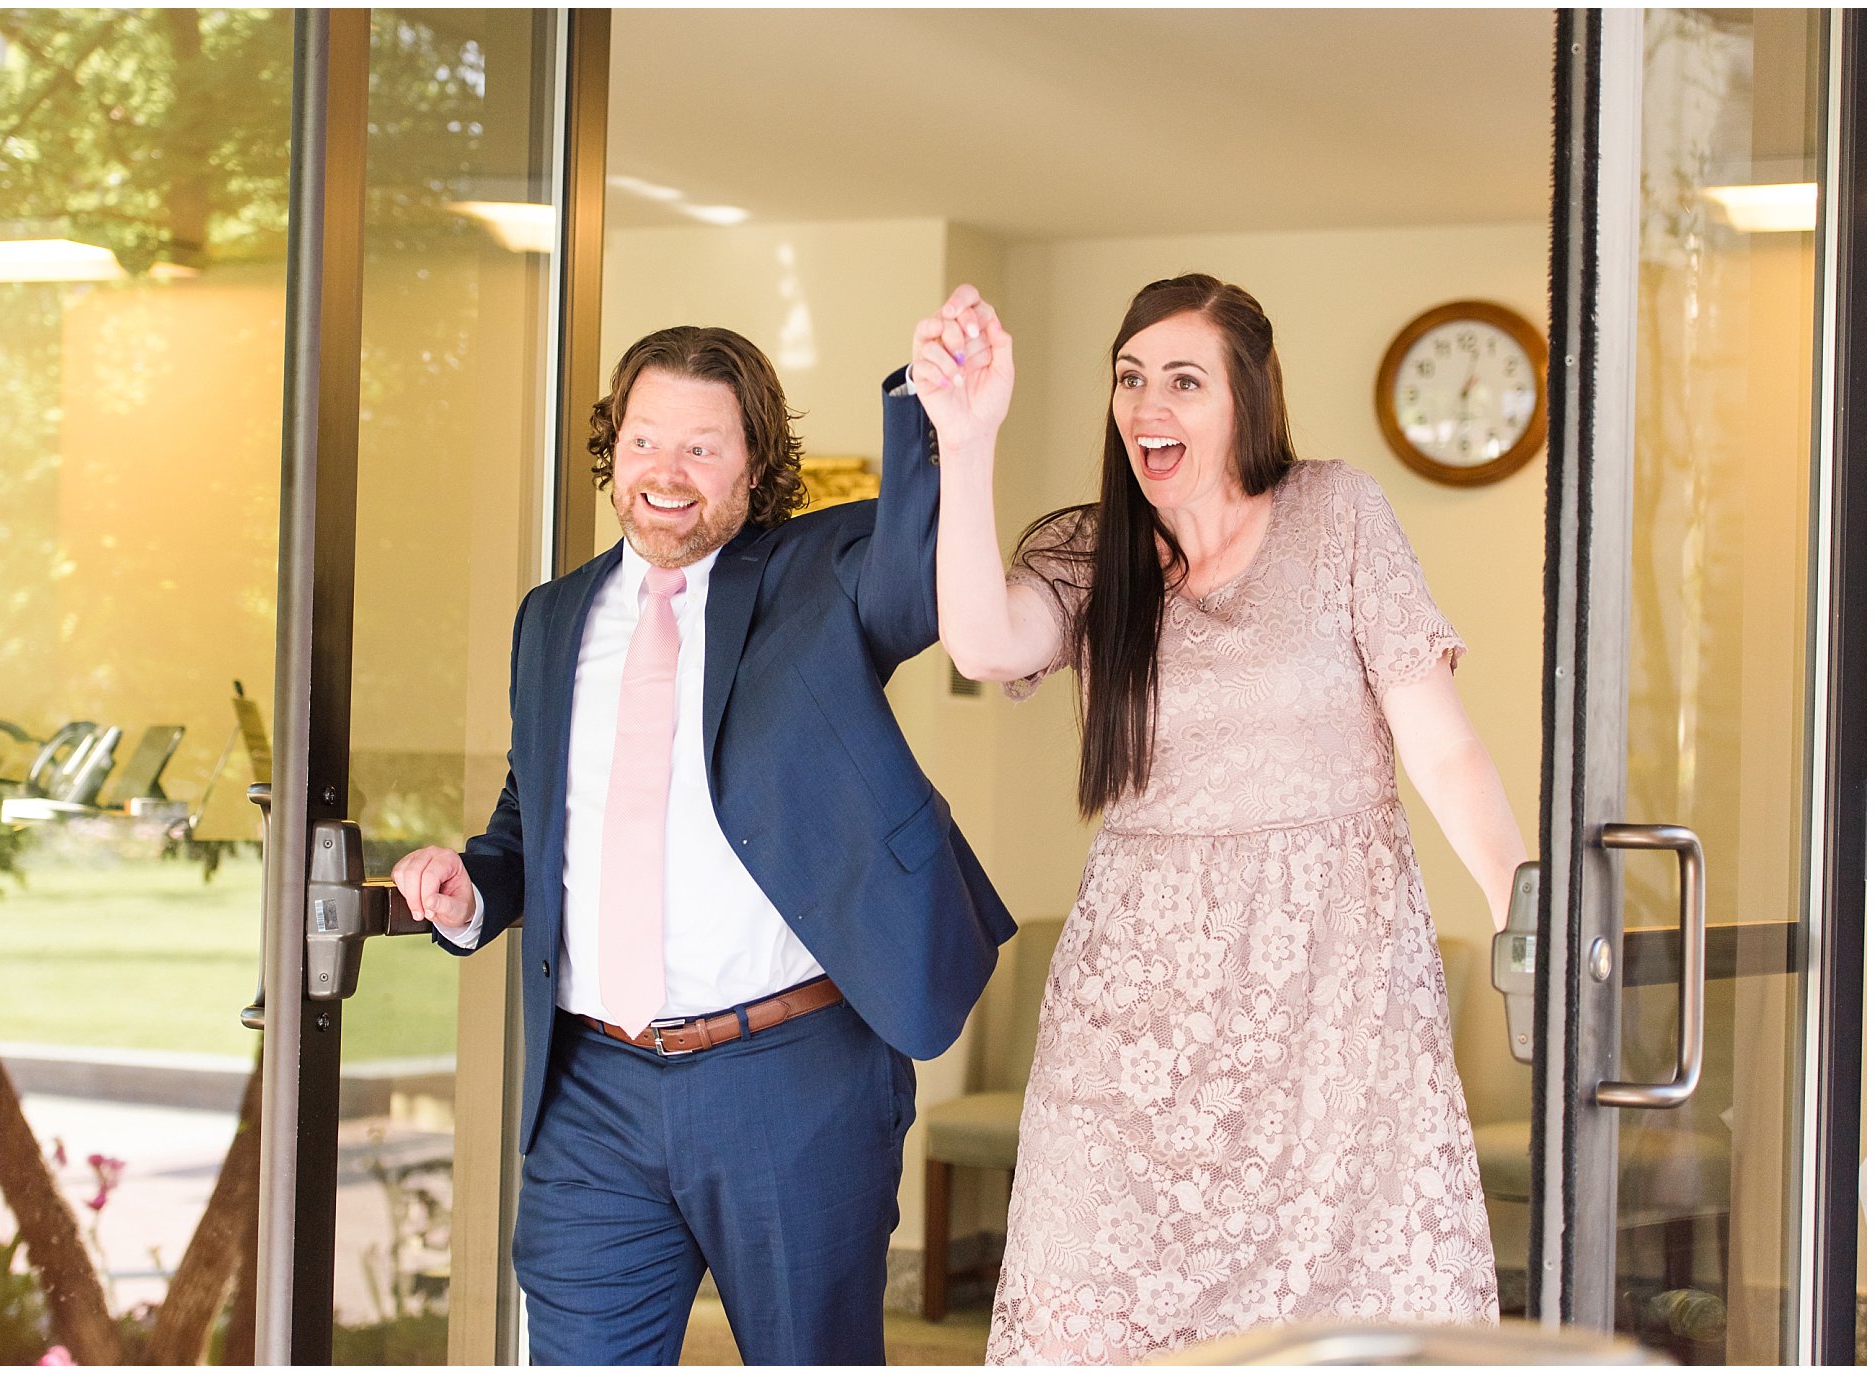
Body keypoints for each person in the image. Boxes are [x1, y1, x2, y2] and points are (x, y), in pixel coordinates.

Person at [390, 312, 1014, 1365]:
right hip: (593, 1088)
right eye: (642, 440)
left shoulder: (820, 576)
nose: (663, 473)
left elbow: (918, 586)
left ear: (755, 461)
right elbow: (533, 821)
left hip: (789, 1076)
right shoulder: (553, 617)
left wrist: (945, 419)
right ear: (611, 446)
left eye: (700, 447)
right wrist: (473, 889)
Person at [920, 275, 1523, 1363]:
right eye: (1129, 378)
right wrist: (965, 442)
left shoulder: (1337, 512)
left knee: (1337, 1308)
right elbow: (981, 644)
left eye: (1183, 381)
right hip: (1134, 1006)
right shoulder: (1088, 553)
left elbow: (1440, 746)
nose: (1148, 405)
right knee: (1098, 1307)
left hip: (1329, 992)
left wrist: (1521, 906)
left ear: (1245, 398)